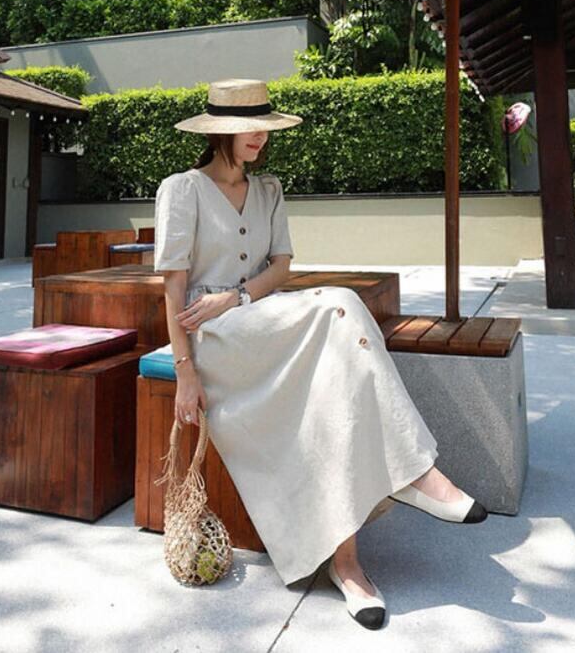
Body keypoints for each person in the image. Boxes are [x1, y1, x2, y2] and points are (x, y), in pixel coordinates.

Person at [154, 78, 488, 631]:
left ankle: (348, 563)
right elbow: (172, 289)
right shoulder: (181, 189)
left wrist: (236, 297)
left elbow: (281, 268)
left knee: (336, 383)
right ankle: (412, 472)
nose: (260, 136)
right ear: (220, 132)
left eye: (264, 126)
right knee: (339, 303)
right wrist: (185, 372)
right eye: (247, 127)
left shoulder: (269, 189)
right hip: (216, 342)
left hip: (261, 321)